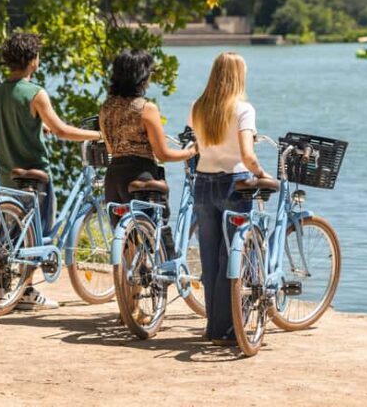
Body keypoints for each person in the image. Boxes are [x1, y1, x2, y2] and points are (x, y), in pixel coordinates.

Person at [0, 32, 102, 310]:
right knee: (37, 233)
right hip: (35, 172)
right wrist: (98, 135)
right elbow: (62, 130)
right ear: (33, 61)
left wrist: (40, 126)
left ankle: (1, 287)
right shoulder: (36, 93)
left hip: (7, 173)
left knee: (11, 231)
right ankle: (26, 290)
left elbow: (14, 122)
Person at [189, 52, 273, 346]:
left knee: (210, 259)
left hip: (203, 183)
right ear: (238, 76)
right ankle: (226, 330)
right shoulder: (243, 109)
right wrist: (262, 173)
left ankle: (214, 326)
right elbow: (247, 155)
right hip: (234, 185)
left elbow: (199, 147)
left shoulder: (198, 107)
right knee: (232, 257)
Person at [99, 48, 196, 230]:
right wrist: (191, 151)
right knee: (155, 232)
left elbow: (111, 149)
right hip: (141, 176)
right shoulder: (146, 108)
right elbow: (163, 154)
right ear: (142, 76)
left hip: (113, 177)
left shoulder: (106, 107)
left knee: (127, 238)